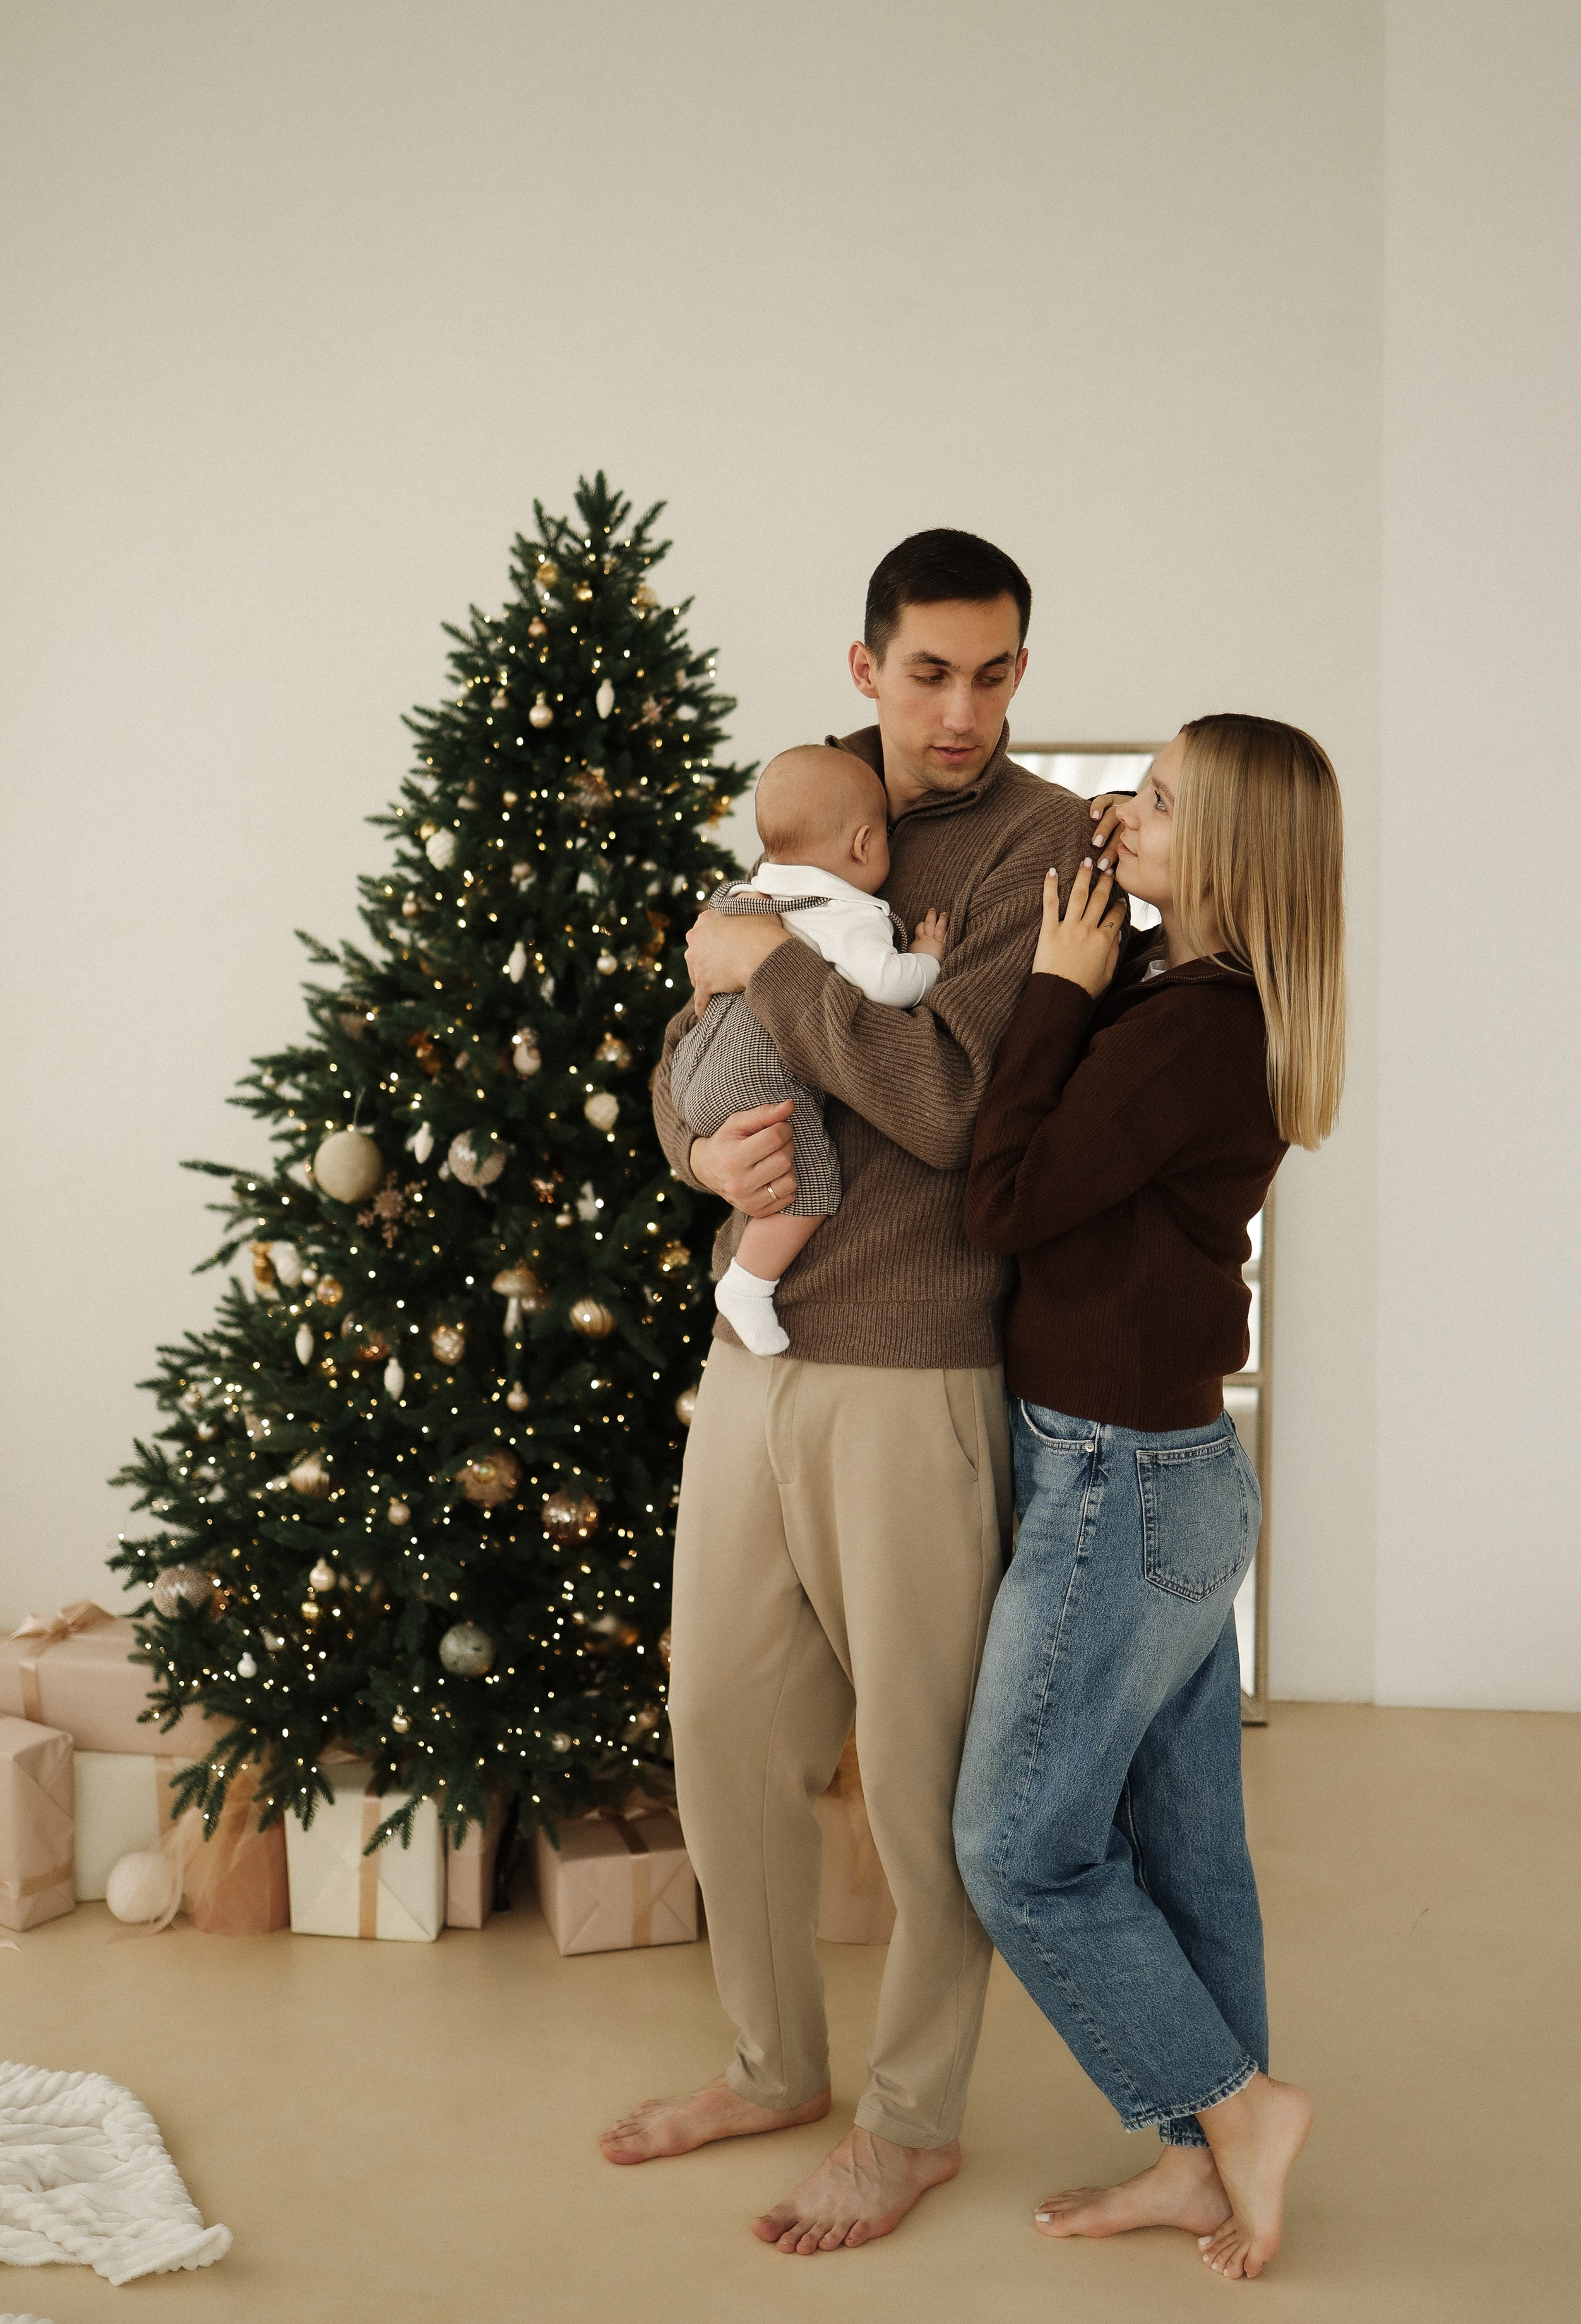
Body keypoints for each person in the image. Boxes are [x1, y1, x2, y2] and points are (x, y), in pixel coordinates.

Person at [600, 528, 1089, 2254]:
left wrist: (768, 972)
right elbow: (684, 1054)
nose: (964, 710)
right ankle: (768, 2062)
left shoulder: (1044, 848)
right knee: (720, 1717)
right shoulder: (805, 804)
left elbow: (954, 1101)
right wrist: (702, 1148)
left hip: (923, 1364)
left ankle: (911, 2123)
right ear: (868, 663)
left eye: (997, 670)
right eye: (933, 670)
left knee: (919, 1772)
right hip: (759, 1353)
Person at [953, 713, 1346, 2282]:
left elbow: (1004, 1197)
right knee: (1185, 1850)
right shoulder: (1188, 1001)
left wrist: (1052, 982)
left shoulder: (1180, 1026)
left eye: (1161, 798)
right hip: (1170, 1475)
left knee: (1016, 1845)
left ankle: (1235, 2105)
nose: (1123, 806)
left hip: (1116, 1483)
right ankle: (1204, 2163)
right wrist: (1096, 966)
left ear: (1231, 857)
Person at [671, 743, 949, 1356]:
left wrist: (696, 1151)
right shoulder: (845, 910)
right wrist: (926, 956)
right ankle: (747, 1284)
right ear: (863, 845)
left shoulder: (747, 897)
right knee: (811, 1184)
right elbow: (886, 983)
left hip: (694, 1071)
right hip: (760, 1082)